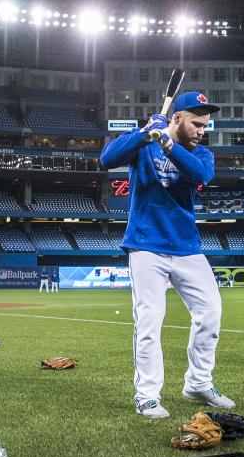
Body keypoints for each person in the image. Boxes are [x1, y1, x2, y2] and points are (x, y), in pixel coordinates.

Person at [100, 91, 234, 419]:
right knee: (149, 320)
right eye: (196, 123)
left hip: (187, 247)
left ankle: (198, 383)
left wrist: (168, 144)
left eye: (205, 125)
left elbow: (200, 176)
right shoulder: (145, 144)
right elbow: (106, 159)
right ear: (177, 118)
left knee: (211, 313)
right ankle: (147, 395)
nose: (202, 130)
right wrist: (146, 132)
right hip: (146, 245)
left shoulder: (201, 154)